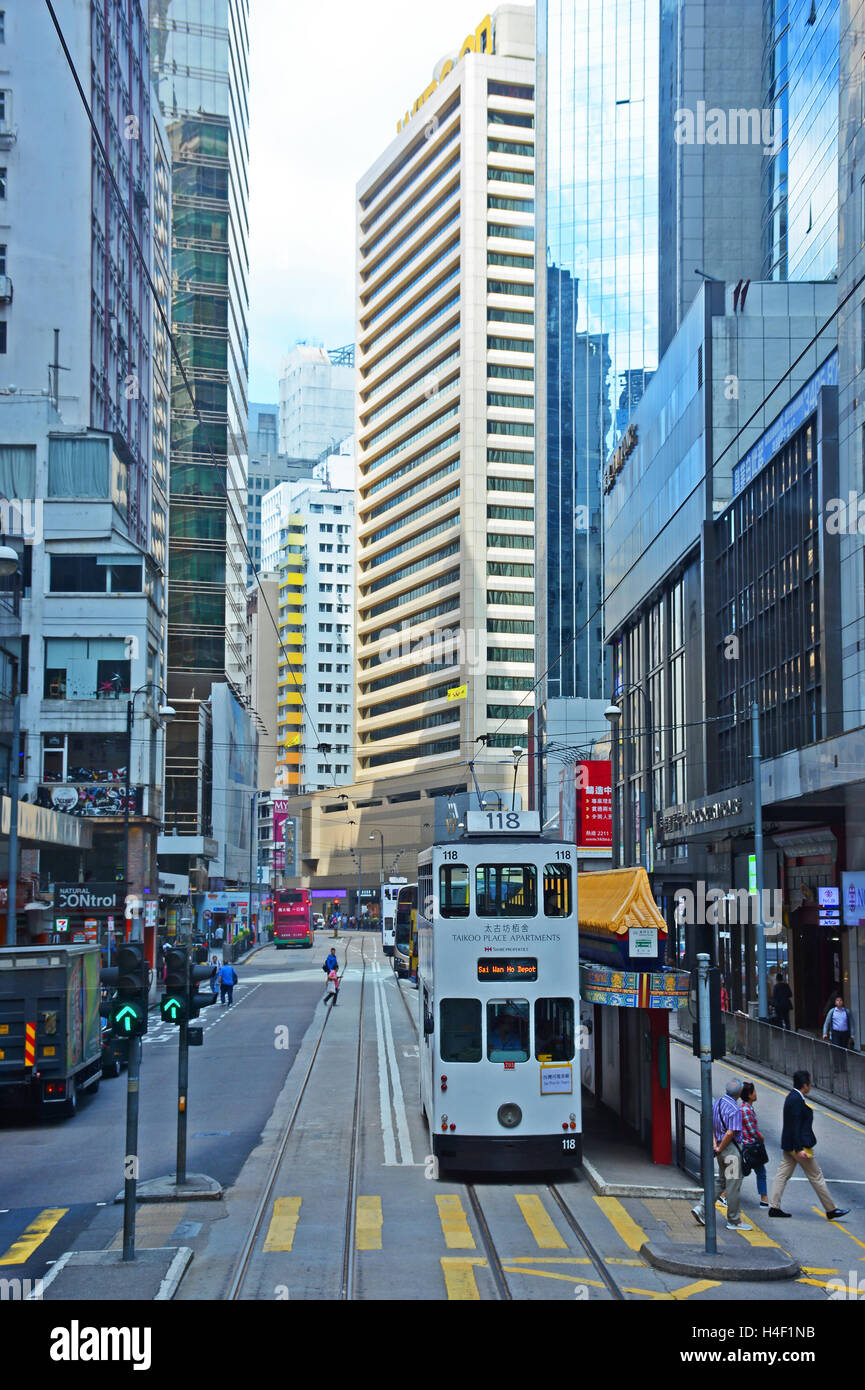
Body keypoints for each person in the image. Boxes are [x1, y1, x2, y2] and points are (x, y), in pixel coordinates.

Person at [767, 1069, 849, 1220]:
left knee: (782, 1175)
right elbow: (795, 1126)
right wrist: (799, 1149)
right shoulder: (796, 1100)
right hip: (799, 1146)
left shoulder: (792, 1097)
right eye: (810, 1083)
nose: (811, 1086)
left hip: (790, 1145)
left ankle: (774, 1206)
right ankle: (831, 1209)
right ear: (805, 1085)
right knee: (816, 1175)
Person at [691, 1079, 753, 1232]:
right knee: (733, 1185)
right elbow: (731, 1132)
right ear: (739, 1093)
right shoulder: (735, 1110)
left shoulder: (717, 1103)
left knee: (721, 1181)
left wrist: (715, 1145)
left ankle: (701, 1207)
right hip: (730, 1150)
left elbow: (711, 1124)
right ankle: (734, 1220)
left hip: (719, 1146)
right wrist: (721, 1147)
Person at [739, 1082, 769, 1208]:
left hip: (750, 1146)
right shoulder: (745, 1110)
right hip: (751, 1147)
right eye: (754, 1092)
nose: (756, 1094)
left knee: (750, 1171)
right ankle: (724, 1194)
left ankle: (764, 1198)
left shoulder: (747, 1108)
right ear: (750, 1095)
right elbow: (752, 1131)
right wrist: (760, 1136)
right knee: (743, 1172)